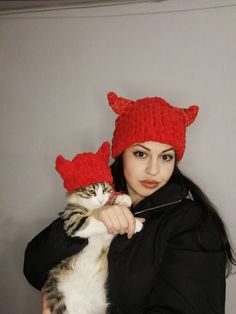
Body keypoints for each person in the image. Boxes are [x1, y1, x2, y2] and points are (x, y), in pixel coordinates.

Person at [24, 91, 235, 314]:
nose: (153, 170)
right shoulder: (96, 200)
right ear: (122, 153)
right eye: (141, 154)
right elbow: (34, 269)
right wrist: (89, 221)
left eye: (165, 157)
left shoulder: (195, 225)